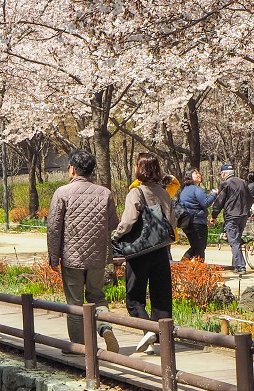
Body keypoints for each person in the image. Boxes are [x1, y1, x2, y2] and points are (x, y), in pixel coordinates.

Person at [46, 148, 120, 352]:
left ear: (72, 169)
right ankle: (105, 327)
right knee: (97, 296)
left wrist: (54, 256)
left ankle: (79, 346)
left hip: (72, 257)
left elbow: (54, 227)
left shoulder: (62, 193)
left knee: (75, 302)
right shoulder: (105, 193)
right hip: (98, 257)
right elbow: (113, 222)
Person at [112, 153, 177, 355]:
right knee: (162, 296)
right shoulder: (164, 193)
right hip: (161, 250)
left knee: (134, 297)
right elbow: (172, 221)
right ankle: (161, 338)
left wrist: (116, 234)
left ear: (139, 169)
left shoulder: (136, 193)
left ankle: (148, 329)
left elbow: (129, 220)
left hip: (140, 251)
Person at [210, 163, 252, 275]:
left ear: (224, 174)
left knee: (234, 241)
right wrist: (247, 211)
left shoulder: (225, 184)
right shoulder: (243, 182)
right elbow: (250, 198)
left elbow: (219, 202)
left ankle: (240, 266)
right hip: (243, 215)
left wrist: (214, 216)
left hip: (231, 216)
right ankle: (236, 264)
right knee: (236, 240)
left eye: (221, 174)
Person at [176, 168, 215, 260]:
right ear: (189, 176)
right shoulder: (197, 189)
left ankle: (181, 267)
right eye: (195, 173)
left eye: (199, 173)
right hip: (197, 222)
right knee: (200, 248)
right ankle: (199, 271)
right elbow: (206, 203)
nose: (198, 175)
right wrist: (214, 194)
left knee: (195, 247)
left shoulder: (184, 190)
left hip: (187, 223)